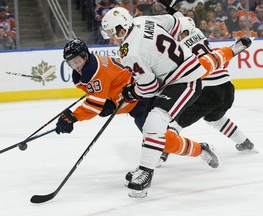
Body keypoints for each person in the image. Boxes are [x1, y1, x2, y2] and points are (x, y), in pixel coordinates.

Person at [101, 6, 252, 198]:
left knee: (155, 122)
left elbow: (149, 88)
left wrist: (130, 93)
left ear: (122, 30)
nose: (111, 39)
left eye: (111, 34)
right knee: (204, 65)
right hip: (187, 64)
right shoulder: (143, 21)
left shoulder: (129, 52)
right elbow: (175, 23)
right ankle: (231, 50)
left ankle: (145, 172)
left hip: (181, 81)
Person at [158, 16, 255, 166]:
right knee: (215, 118)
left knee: (175, 121)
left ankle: (162, 152)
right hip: (227, 89)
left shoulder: (178, 46)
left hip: (208, 91)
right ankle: (244, 142)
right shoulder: (199, 35)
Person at [55, 38, 151, 138]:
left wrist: (72, 117)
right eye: (71, 63)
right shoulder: (91, 64)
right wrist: (109, 100)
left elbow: (94, 105)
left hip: (141, 96)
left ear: (85, 55)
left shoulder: (94, 71)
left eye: (77, 61)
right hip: (137, 93)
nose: (76, 66)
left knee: (153, 136)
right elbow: (106, 88)